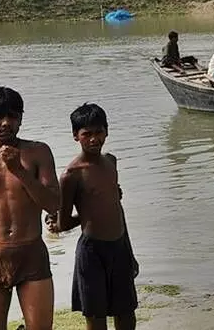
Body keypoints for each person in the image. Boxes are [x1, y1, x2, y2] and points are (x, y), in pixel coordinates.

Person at [47, 104, 138, 330]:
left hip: (119, 247)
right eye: (87, 134)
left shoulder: (111, 161)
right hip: (91, 252)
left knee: (126, 313)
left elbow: (117, 210)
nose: (94, 139)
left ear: (107, 131)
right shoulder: (71, 175)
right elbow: (64, 222)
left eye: (98, 132)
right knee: (96, 317)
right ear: (76, 136)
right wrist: (88, 213)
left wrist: (130, 252)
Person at [0, 87, 60, 330]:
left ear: (21, 119)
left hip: (30, 252)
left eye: (13, 116)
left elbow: (53, 204)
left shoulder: (38, 152)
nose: (6, 122)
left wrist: (18, 169)